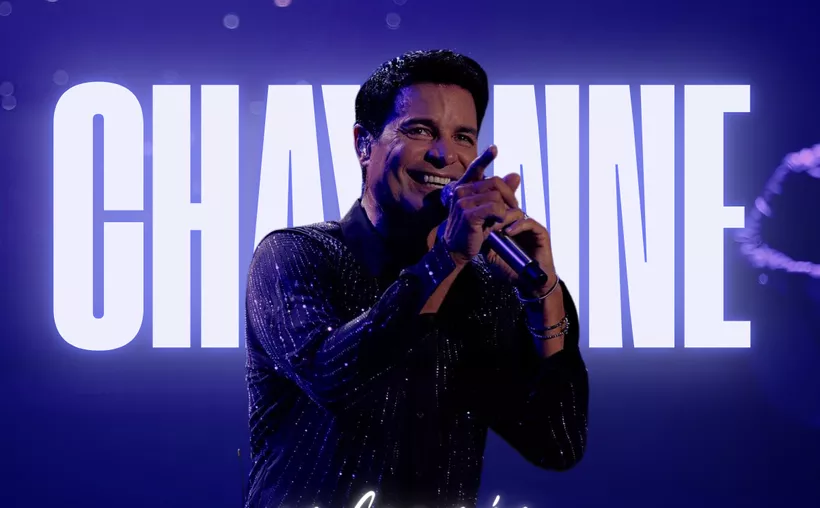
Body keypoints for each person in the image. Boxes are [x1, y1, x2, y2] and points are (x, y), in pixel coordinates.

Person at [244, 49, 589, 508]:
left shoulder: (483, 290)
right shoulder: (294, 256)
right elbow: (332, 378)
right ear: (363, 145)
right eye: (420, 130)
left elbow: (557, 444)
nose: (445, 154)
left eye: (463, 136)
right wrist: (445, 259)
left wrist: (542, 296)